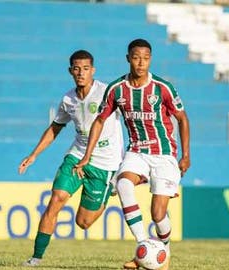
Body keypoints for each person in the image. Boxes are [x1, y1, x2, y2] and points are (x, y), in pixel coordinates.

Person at [74, 39, 191, 270]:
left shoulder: (162, 87)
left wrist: (186, 155)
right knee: (123, 183)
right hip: (136, 150)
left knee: (158, 214)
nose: (141, 63)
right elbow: (99, 120)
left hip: (164, 153)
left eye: (145, 58)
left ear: (150, 59)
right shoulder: (117, 89)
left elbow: (182, 118)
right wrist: (87, 156)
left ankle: (163, 252)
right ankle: (144, 248)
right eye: (136, 57)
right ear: (128, 58)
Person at [18, 50, 124, 267]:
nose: (81, 73)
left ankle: (112, 186)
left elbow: (130, 117)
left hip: (105, 162)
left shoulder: (107, 93)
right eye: (76, 69)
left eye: (85, 68)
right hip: (77, 156)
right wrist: (33, 155)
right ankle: (35, 258)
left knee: (83, 223)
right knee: (56, 198)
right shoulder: (68, 99)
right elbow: (55, 128)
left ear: (93, 70)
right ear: (70, 71)